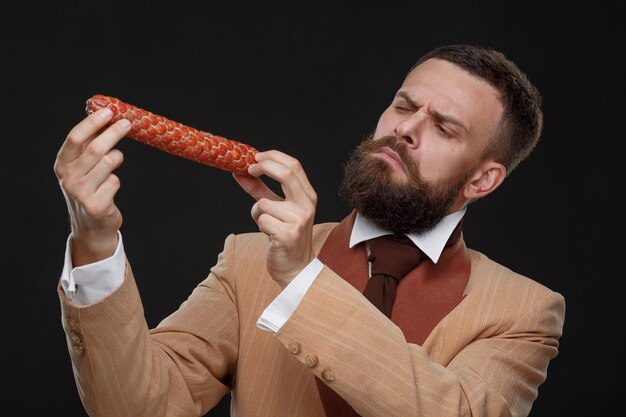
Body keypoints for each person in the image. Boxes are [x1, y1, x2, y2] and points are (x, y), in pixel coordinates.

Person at [54, 44, 565, 417]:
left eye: (444, 127)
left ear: (483, 178)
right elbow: (137, 408)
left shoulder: (523, 311)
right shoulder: (248, 261)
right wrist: (95, 241)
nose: (405, 128)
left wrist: (302, 280)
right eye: (405, 106)